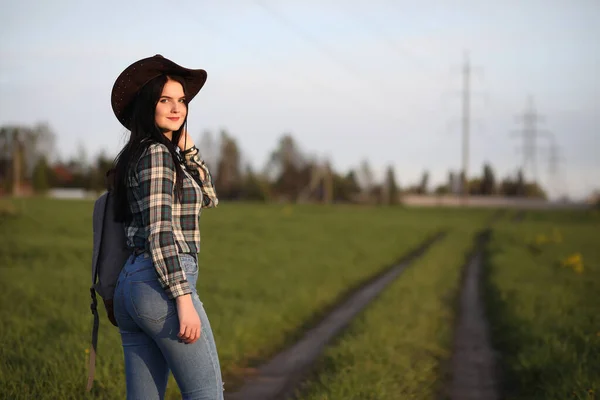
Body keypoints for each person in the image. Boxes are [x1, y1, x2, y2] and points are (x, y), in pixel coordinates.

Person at [109, 54, 223, 400]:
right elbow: (161, 232)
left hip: (132, 286)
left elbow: (209, 196)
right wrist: (182, 298)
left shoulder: (141, 153)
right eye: (165, 100)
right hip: (161, 286)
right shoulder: (157, 155)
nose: (177, 108)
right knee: (206, 393)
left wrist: (187, 151)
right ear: (148, 105)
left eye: (182, 101)